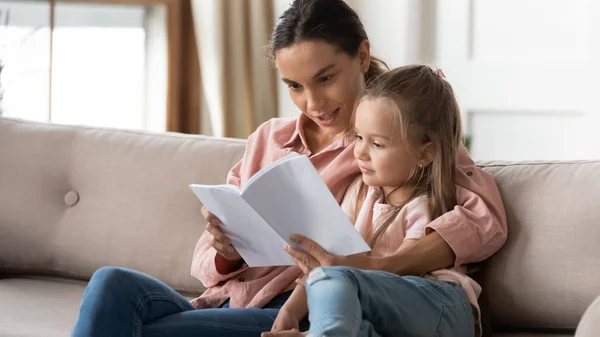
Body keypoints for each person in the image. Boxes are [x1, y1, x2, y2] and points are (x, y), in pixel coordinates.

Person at [71, 1, 506, 336]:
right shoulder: (268, 139)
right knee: (111, 284)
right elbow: (204, 263)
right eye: (295, 87)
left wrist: (376, 265)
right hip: (228, 299)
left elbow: (481, 216)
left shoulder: (396, 138)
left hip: (297, 306)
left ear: (361, 55)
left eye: (325, 78)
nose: (313, 103)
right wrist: (225, 248)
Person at [263, 65, 482, 337]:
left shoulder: (425, 204)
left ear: (424, 154)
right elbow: (327, 267)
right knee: (331, 280)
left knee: (338, 278)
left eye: (377, 144)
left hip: (431, 301)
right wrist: (291, 312)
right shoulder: (357, 193)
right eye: (358, 137)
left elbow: (399, 274)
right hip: (380, 311)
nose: (360, 152)